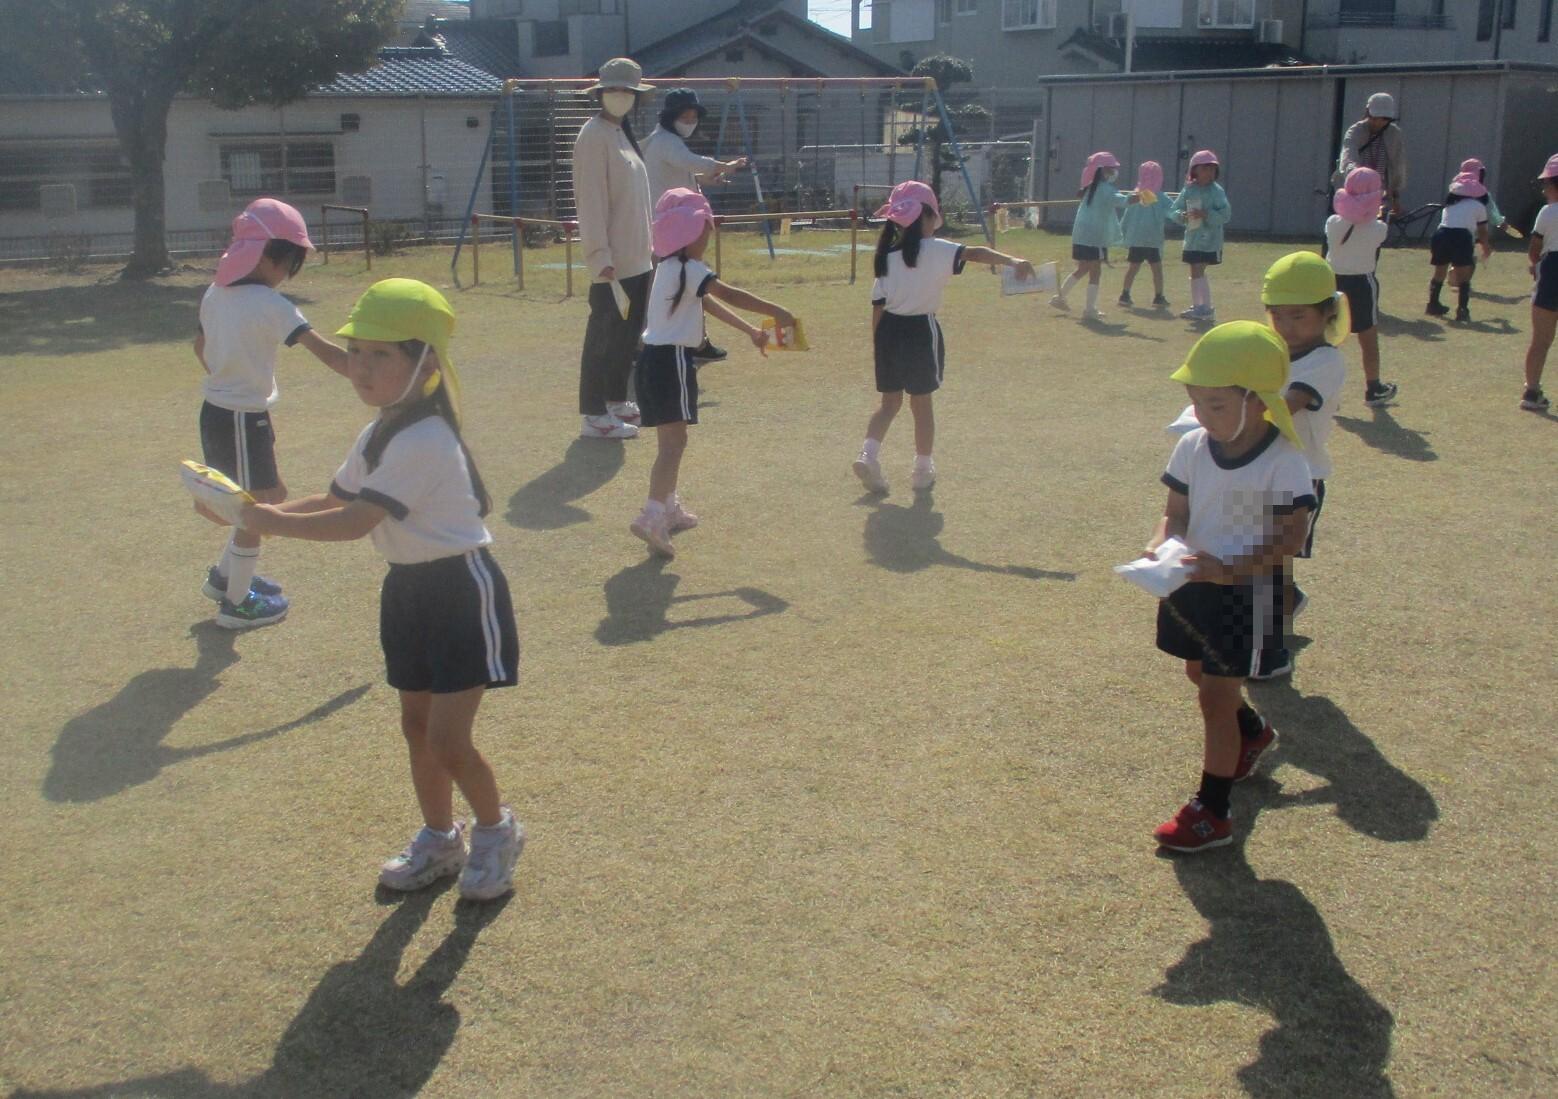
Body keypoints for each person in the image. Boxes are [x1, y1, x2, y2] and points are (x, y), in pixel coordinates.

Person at [199, 279, 525, 901]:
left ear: (425, 362)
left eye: (381, 356)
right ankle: (439, 838)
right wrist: (243, 509)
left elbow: (353, 523)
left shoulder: (426, 438)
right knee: (415, 724)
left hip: (461, 591)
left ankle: (496, 830)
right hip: (406, 590)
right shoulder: (379, 431)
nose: (360, 369)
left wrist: (264, 522)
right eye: (356, 352)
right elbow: (332, 500)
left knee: (450, 741)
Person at [1143, 321, 1316, 852]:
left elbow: (1291, 536)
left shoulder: (1284, 461)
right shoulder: (1193, 447)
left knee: (1216, 699)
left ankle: (1212, 812)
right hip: (1192, 584)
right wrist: (1160, 547)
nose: (1202, 415)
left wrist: (1231, 569)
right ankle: (1254, 732)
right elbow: (1175, 513)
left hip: (1246, 592)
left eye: (1217, 404)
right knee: (1199, 672)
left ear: (1261, 401)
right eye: (1197, 402)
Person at [194, 198, 347, 630]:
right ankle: (237, 603)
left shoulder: (214, 292)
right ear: (270, 256)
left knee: (267, 497)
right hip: (243, 417)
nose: (287, 274)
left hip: (219, 411)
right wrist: (371, 372)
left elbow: (200, 348)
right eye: (289, 263)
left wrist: (227, 374)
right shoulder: (270, 304)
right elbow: (326, 353)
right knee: (257, 506)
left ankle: (226, 577)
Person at [628, 190, 795, 557]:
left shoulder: (670, 269)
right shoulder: (691, 269)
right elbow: (729, 294)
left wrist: (751, 330)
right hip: (672, 363)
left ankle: (668, 508)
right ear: (692, 232)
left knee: (669, 442)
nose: (710, 233)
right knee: (674, 445)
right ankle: (652, 514)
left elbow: (710, 303)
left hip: (651, 363)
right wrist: (777, 310)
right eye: (707, 227)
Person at [853, 181, 1036, 495]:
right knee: (921, 405)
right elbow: (975, 252)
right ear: (926, 215)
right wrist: (1013, 261)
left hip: (887, 335)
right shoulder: (936, 248)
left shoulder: (888, 257)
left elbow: (877, 308)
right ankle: (922, 469)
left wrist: (878, 347)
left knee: (889, 404)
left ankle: (867, 455)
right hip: (920, 331)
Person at [1254, 252, 1349, 680]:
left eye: (1298, 316)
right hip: (1254, 471)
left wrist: (1232, 416)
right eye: (1278, 316)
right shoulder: (1270, 351)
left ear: (1328, 311)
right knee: (1254, 556)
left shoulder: (1326, 362)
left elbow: (1284, 407)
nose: (1287, 327)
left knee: (1269, 562)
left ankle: (1270, 656)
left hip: (1299, 479)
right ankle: (1283, 604)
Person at [573, 57, 656, 440]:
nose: (621, 97)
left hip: (638, 258)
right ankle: (593, 412)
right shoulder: (593, 136)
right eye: (614, 90)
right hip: (612, 261)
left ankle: (614, 400)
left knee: (628, 335)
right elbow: (590, 203)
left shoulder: (624, 134)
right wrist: (599, 256)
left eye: (628, 91)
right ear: (601, 93)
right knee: (604, 336)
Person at [642, 87, 748, 364]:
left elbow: (684, 172)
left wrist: (710, 178)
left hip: (672, 228)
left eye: (693, 117)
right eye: (685, 116)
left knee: (679, 284)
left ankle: (695, 341)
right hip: (671, 232)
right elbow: (690, 162)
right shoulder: (666, 142)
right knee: (681, 285)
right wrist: (724, 166)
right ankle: (662, 343)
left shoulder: (663, 141)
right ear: (670, 116)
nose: (690, 122)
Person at [1325, 167, 1399, 408]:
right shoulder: (1379, 228)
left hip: (1332, 281)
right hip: (1362, 283)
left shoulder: (1333, 223)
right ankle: (1373, 387)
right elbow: (1374, 229)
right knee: (1368, 338)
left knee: (1329, 339)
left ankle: (1326, 392)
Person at [1051, 151, 1133, 320]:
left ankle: (1060, 297)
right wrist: (1139, 198)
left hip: (1082, 236)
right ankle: (1089, 310)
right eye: (1112, 169)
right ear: (1103, 171)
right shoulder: (1105, 189)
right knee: (1095, 272)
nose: (1114, 172)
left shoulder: (1089, 189)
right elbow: (1122, 201)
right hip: (1094, 237)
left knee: (1083, 268)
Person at [1169, 150, 1231, 325]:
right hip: (1192, 238)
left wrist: (1206, 214)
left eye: (1212, 169)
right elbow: (1173, 210)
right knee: (1194, 270)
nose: (1209, 173)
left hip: (1211, 240)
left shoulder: (1217, 191)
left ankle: (1206, 308)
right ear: (1194, 170)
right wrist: (1182, 215)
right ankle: (1198, 307)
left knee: (1199, 270)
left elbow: (1226, 214)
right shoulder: (1188, 189)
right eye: (1205, 168)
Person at [1426, 171, 1492, 323]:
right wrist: (1486, 246)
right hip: (1461, 237)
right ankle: (1462, 310)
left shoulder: (1449, 206)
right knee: (1464, 277)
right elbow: (1482, 231)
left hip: (1441, 235)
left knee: (1439, 273)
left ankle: (1433, 304)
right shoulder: (1478, 206)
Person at [1521, 154, 1558, 412]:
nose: (1544, 189)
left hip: (1552, 273)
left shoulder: (1547, 212)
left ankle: (1531, 392)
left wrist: (1535, 266)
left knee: (1540, 340)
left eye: (1547, 184)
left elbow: (1535, 249)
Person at [1333, 92, 1407, 217]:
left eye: (1385, 118)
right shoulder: (1355, 131)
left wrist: (1395, 197)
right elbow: (1348, 156)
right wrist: (1358, 176)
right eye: (1376, 117)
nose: (1379, 122)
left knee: (1376, 231)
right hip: (1353, 193)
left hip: (1380, 194)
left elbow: (1397, 165)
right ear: (1368, 113)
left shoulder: (1394, 133)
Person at [1119, 160, 1171, 310]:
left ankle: (1125, 294)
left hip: (1136, 239)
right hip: (1152, 239)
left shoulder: (1135, 195)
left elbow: (1126, 217)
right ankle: (1158, 296)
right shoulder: (1159, 196)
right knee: (1156, 269)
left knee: (1133, 267)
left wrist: (1122, 232)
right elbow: (1172, 211)